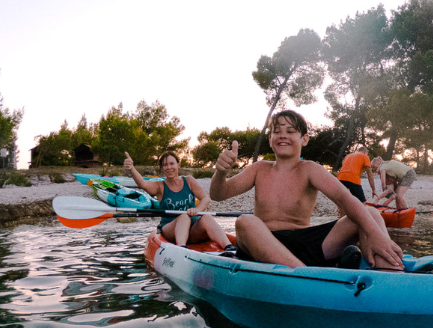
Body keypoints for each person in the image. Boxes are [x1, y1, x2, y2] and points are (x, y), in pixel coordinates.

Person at [210, 110, 404, 270]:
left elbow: (346, 199)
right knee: (246, 221)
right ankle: (306, 275)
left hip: (307, 245)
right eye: (277, 131)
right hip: (262, 244)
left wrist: (375, 234)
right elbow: (219, 194)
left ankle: (388, 270)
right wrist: (220, 173)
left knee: (371, 214)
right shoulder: (259, 169)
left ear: (304, 139)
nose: (283, 135)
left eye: (291, 131)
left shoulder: (310, 169)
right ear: (270, 140)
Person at [124, 151, 232, 249]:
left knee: (207, 217)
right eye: (165, 165)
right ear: (162, 168)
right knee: (184, 217)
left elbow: (205, 198)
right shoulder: (159, 186)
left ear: (178, 165)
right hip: (170, 230)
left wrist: (198, 209)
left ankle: (229, 247)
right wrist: (132, 168)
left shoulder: (189, 181)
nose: (169, 167)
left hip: (193, 230)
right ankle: (181, 248)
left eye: (172, 164)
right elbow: (142, 183)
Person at [336, 146, 375, 216]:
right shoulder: (365, 156)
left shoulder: (348, 156)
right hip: (353, 178)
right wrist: (373, 189)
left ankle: (341, 219)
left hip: (340, 177)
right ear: (365, 152)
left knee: (342, 201)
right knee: (362, 203)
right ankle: (363, 220)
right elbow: (370, 174)